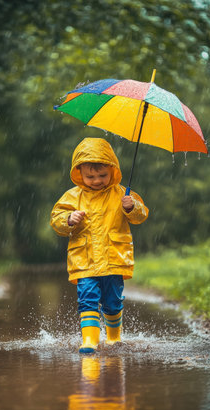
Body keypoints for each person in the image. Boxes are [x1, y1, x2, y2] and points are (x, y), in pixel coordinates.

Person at [50, 137, 148, 353]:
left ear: (112, 171)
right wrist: (68, 219)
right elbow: (56, 219)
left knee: (113, 302)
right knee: (87, 299)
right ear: (79, 174)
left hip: (114, 259)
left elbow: (140, 216)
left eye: (102, 175)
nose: (96, 180)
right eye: (90, 176)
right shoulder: (72, 196)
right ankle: (89, 341)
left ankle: (114, 337)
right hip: (84, 260)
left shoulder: (123, 194)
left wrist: (132, 207)